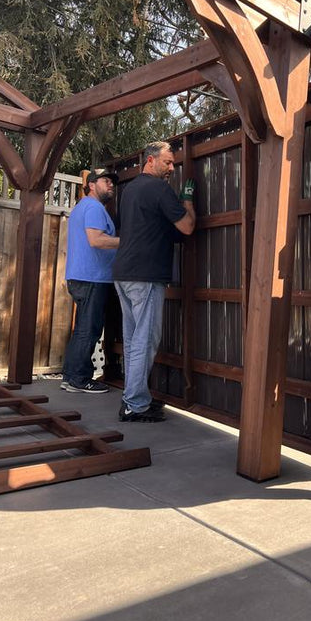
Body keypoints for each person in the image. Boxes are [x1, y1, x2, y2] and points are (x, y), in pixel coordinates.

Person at [113, 141, 196, 422]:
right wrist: (187, 200)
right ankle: (134, 404)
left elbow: (147, 228)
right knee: (145, 341)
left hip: (123, 274)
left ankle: (134, 398)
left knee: (133, 339)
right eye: (168, 162)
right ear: (150, 160)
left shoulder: (129, 191)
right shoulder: (159, 188)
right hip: (145, 276)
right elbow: (186, 226)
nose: (172, 167)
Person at [62, 168, 120, 393]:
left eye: (112, 182)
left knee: (84, 328)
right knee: (89, 329)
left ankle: (71, 377)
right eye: (106, 181)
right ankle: (80, 378)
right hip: (92, 277)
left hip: (82, 276)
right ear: (92, 184)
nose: (111, 185)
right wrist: (127, 243)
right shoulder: (94, 207)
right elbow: (96, 240)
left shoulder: (83, 207)